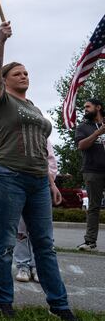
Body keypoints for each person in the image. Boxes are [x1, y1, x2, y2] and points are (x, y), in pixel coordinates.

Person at [0, 21, 76, 321]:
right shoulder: (2, 100)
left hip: (38, 180)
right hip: (7, 175)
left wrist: (51, 181)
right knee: (6, 242)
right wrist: (1, 41)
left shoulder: (35, 107)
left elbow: (41, 147)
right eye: (17, 73)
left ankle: (59, 305)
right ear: (5, 79)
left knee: (45, 246)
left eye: (26, 73)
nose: (24, 76)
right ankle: (4, 303)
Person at [16, 139, 62, 282]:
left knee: (41, 231)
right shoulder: (15, 136)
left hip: (40, 186)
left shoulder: (43, 139)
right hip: (18, 186)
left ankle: (38, 266)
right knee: (21, 229)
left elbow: (51, 162)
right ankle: (22, 265)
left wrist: (50, 183)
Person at [74, 98, 105, 251]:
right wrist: (98, 133)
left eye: (88, 106)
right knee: (94, 207)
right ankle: (90, 242)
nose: (85, 109)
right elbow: (81, 145)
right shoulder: (83, 127)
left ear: (98, 107)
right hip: (93, 171)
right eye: (84, 106)